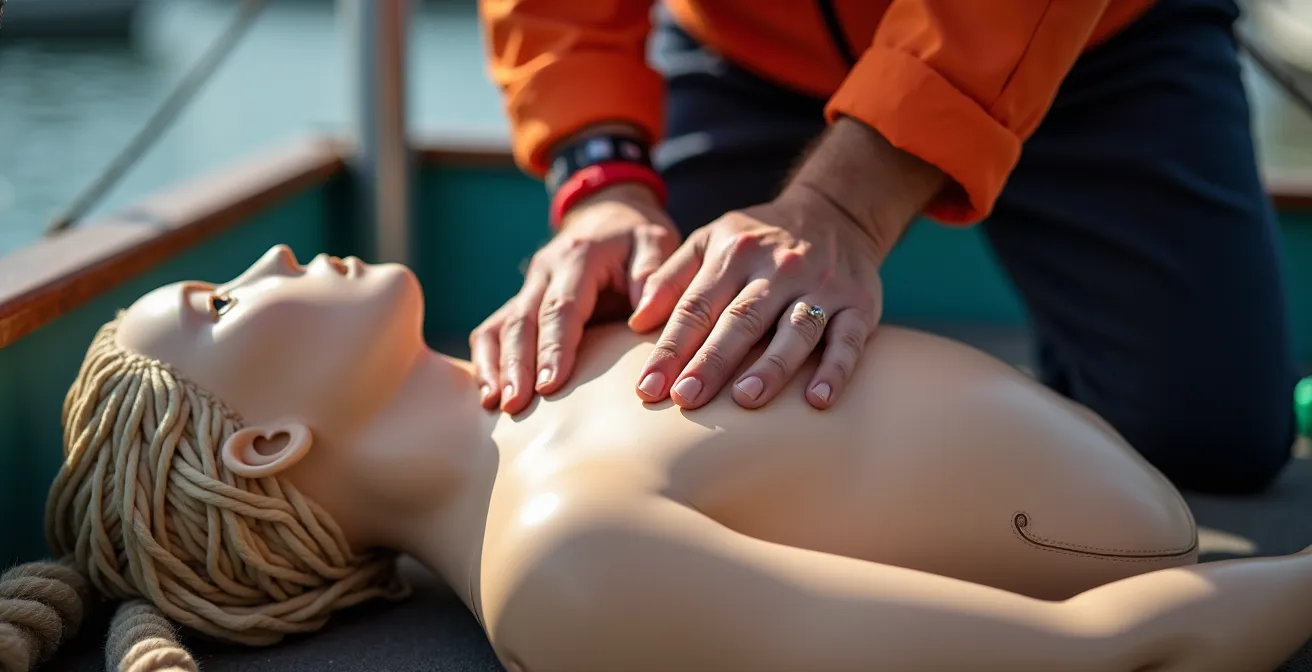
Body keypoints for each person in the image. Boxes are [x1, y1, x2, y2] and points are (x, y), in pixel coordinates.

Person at [3, 244, 1312, 672]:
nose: (273, 257)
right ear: (268, 440)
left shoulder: (546, 347)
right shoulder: (565, 558)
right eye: (225, 307)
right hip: (1112, 533)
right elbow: (1080, 656)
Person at [471, 0, 1301, 496]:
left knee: (1211, 437)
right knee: (670, 406)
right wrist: (602, 174)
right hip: (749, 43)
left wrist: (840, 204)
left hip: (1094, 40)